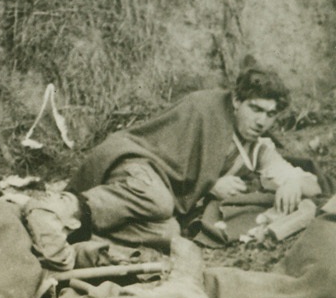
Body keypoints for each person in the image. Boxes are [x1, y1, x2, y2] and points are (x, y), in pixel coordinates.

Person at [24, 66, 322, 269]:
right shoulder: (205, 108)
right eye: (255, 109)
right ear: (236, 101)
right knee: (158, 199)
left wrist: (293, 183)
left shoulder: (259, 149)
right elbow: (162, 147)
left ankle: (71, 236)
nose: (262, 121)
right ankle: (55, 209)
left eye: (270, 115)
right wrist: (209, 185)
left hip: (160, 196)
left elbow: (312, 184)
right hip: (136, 163)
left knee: (170, 232)